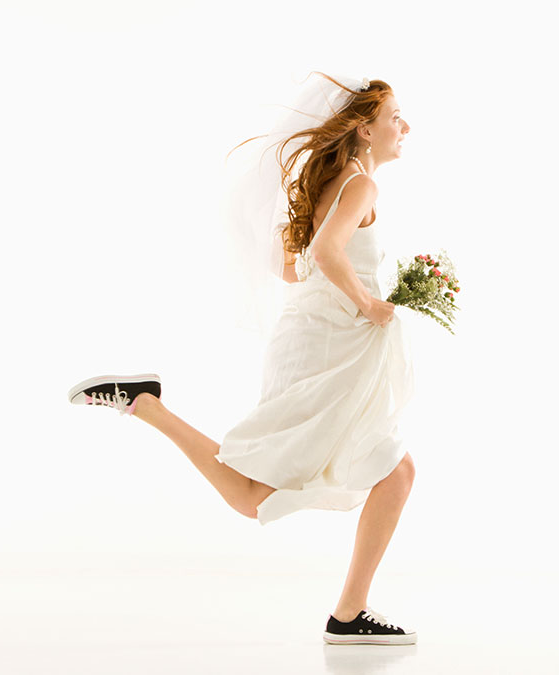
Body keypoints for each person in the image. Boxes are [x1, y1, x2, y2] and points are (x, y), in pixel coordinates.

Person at [67, 73, 417, 645]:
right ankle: (348, 616)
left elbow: (292, 266)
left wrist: (359, 292)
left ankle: (147, 405)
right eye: (396, 116)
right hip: (332, 352)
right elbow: (327, 254)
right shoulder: (360, 187)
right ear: (362, 128)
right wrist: (370, 303)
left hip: (314, 344)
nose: (406, 126)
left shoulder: (329, 183)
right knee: (380, 474)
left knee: (266, 494)